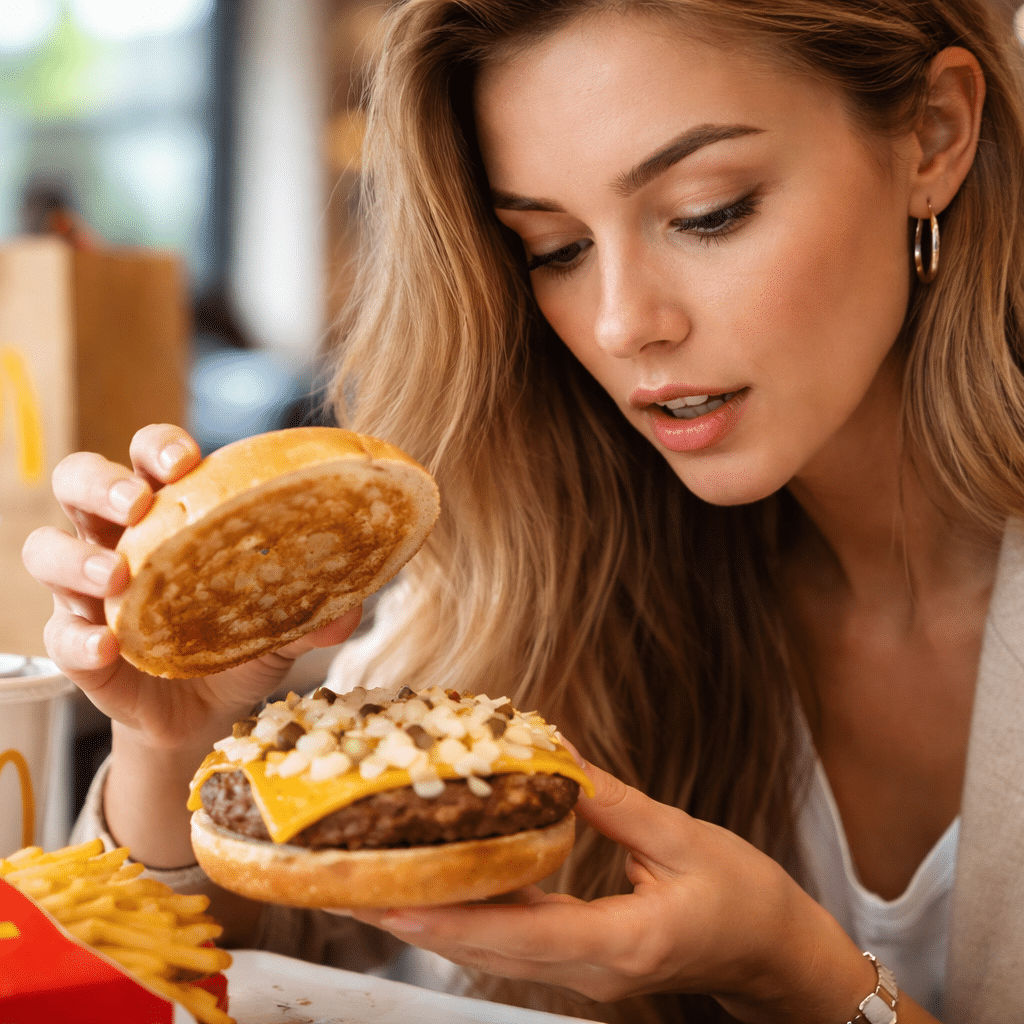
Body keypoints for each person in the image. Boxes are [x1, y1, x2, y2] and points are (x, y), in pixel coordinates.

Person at [22, 0, 1024, 1021]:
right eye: (552, 248)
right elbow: (250, 961)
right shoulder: (536, 573)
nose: (625, 322)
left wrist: (796, 972)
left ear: (934, 133)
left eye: (709, 210)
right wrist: (175, 737)